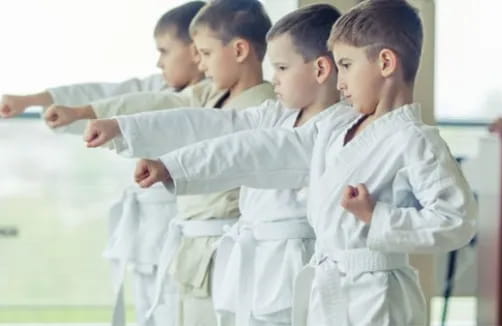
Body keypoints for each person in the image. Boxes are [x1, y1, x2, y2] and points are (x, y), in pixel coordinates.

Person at [89, 1, 477, 325]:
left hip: (378, 296)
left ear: (386, 63)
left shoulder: (415, 140)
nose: (338, 80)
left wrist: (378, 217)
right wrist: (174, 165)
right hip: (328, 289)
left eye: (344, 65)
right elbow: (257, 148)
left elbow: (456, 220)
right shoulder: (334, 127)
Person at [83, 5, 342, 325]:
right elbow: (214, 125)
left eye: (282, 68)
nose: (273, 79)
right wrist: (125, 128)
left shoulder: (335, 130)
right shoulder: (278, 114)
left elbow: (247, 151)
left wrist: (172, 166)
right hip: (257, 270)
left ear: (320, 70)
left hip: (294, 269)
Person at [1, 3, 206, 326]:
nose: (158, 61)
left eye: (165, 51)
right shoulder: (157, 87)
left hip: (183, 234)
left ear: (196, 51)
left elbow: (120, 105)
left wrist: (86, 113)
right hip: (147, 235)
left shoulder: (208, 101)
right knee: (149, 309)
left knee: (174, 310)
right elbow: (106, 94)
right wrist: (33, 100)